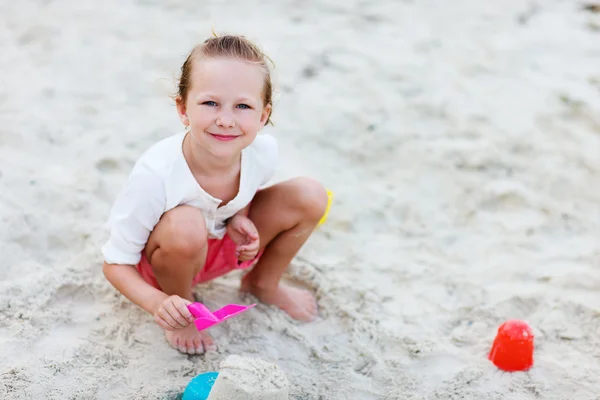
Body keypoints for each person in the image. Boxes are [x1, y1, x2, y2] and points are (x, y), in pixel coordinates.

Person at [101, 34, 328, 355]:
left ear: (263, 115)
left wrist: (239, 218)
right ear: (183, 109)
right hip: (167, 261)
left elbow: (245, 190)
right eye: (210, 103)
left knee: (310, 193)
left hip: (218, 249)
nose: (225, 120)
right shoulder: (156, 174)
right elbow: (115, 264)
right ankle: (184, 312)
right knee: (186, 223)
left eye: (243, 106)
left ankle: (262, 282)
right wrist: (159, 303)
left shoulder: (263, 152)